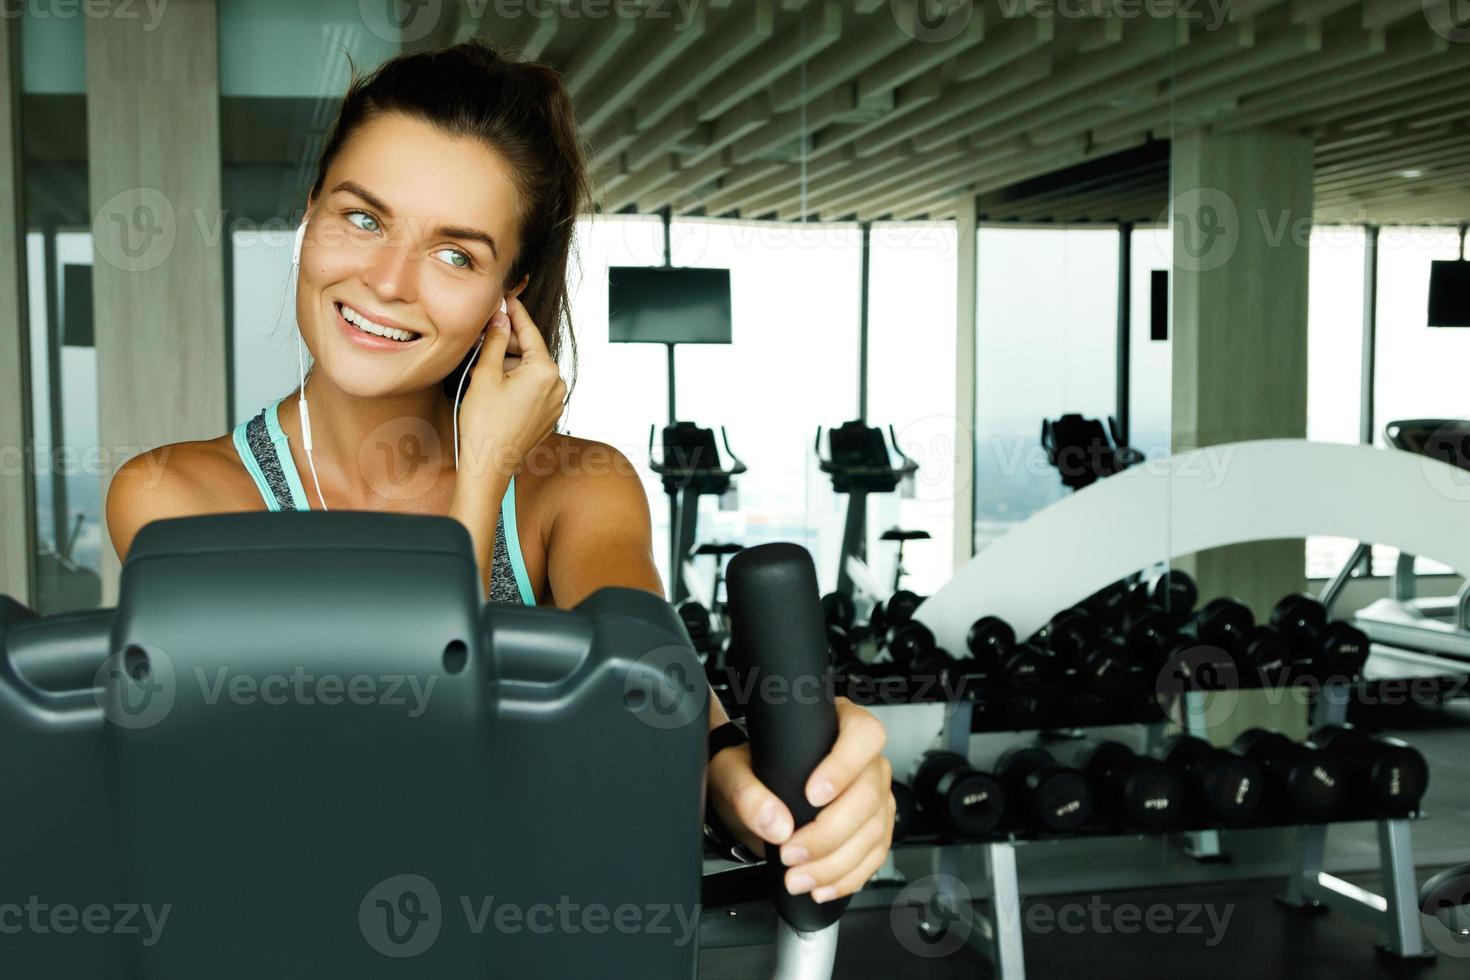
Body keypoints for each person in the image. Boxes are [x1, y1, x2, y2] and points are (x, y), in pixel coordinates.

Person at [106, 40, 894, 905]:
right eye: (362, 219)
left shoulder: (578, 490)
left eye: (456, 255)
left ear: (507, 292)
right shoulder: (178, 499)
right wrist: (479, 475)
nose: (387, 281)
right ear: (310, 217)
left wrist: (779, 788)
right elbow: (371, 802)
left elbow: (663, 707)